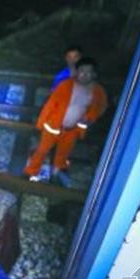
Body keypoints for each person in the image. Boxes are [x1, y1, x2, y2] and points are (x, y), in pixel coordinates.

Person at [24, 57, 108, 186]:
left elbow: (101, 106)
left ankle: (56, 175)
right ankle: (30, 172)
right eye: (82, 71)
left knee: (63, 153)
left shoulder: (98, 91)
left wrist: (90, 118)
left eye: (88, 72)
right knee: (42, 150)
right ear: (77, 72)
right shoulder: (66, 85)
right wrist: (41, 122)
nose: (85, 75)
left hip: (72, 129)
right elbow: (51, 104)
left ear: (94, 74)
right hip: (53, 125)